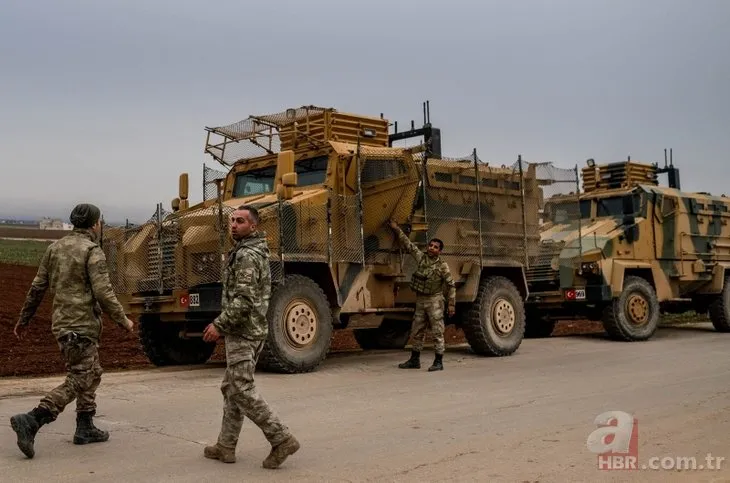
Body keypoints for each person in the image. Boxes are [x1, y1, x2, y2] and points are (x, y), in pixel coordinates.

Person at [10, 203, 135, 459]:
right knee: (79, 379)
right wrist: (123, 320)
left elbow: (37, 288)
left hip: (62, 324)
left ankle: (85, 426)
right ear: (94, 224)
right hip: (82, 326)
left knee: (93, 372)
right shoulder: (92, 250)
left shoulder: (53, 249)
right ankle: (33, 419)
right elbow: (103, 292)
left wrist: (24, 319)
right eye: (100, 222)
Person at [202, 205, 300, 469]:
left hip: (242, 331)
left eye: (240, 221)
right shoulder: (250, 251)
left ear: (253, 226)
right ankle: (226, 445)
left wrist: (219, 325)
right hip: (250, 329)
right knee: (232, 387)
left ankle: (281, 438)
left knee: (242, 389)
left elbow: (244, 300)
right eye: (232, 220)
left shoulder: (247, 255)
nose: (234, 225)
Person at [389, 219, 456, 372]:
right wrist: (396, 228)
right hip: (421, 300)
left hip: (435, 301)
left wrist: (451, 304)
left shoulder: (442, 266)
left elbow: (451, 285)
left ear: (440, 251)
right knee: (417, 330)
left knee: (437, 331)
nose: (432, 248)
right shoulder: (422, 258)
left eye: (436, 247)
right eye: (431, 246)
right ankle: (414, 360)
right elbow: (409, 246)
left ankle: (438, 361)